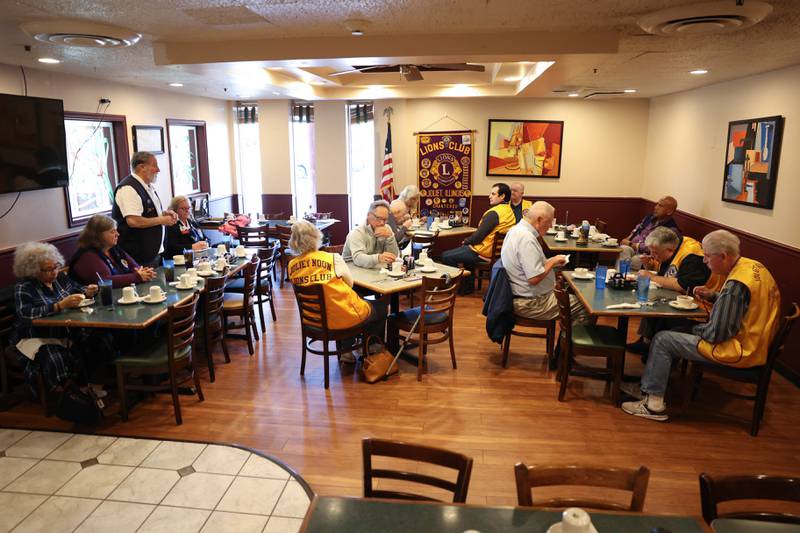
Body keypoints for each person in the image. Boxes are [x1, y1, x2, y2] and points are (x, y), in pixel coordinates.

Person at [621, 230, 781, 422]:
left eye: (707, 256)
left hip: (737, 350)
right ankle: (652, 386)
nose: (704, 261)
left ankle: (652, 404)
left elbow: (716, 334)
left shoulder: (735, 286)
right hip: (758, 344)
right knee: (675, 331)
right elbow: (745, 306)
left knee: (663, 339)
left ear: (723, 256)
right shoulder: (755, 267)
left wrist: (693, 328)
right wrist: (713, 295)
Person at [9, 242, 115, 396]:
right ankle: (67, 394)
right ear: (32, 270)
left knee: (101, 337)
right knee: (55, 356)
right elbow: (25, 314)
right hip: (36, 337)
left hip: (66, 331)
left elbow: (78, 289)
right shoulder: (24, 287)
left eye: (56, 266)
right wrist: (59, 306)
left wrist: (88, 291)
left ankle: (93, 383)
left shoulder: (60, 278)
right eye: (48, 269)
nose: (54, 272)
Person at [288, 220, 388, 363]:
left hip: (313, 321)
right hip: (340, 318)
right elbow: (350, 284)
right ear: (316, 236)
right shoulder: (333, 258)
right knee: (379, 307)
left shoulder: (291, 265)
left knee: (344, 306)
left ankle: (347, 351)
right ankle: (367, 346)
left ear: (293, 242)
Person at [626, 226, 716, 355]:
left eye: (655, 253)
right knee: (651, 298)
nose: (653, 255)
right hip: (678, 297)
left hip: (699, 306)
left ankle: (659, 352)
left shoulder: (693, 256)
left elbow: (682, 285)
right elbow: (666, 274)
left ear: (669, 249)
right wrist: (649, 265)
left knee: (656, 302)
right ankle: (646, 343)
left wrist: (651, 276)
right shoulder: (673, 244)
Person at [500, 201, 589, 323]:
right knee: (584, 305)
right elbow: (534, 278)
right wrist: (552, 262)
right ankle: (569, 342)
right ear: (539, 220)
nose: (550, 227)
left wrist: (553, 260)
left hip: (524, 296)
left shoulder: (516, 230)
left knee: (570, 290)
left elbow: (530, 265)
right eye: (549, 222)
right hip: (530, 303)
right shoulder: (526, 239)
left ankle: (565, 340)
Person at [441, 183, 515, 294]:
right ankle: (467, 287)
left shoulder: (494, 213)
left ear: (502, 196)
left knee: (446, 256)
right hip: (497, 253)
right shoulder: (509, 212)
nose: (489, 196)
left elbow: (478, 237)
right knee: (465, 253)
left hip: (483, 252)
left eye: (493, 194)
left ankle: (457, 288)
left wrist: (466, 241)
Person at [112, 151, 178, 267]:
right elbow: (133, 221)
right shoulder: (128, 188)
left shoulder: (147, 186)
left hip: (154, 254)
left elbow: (146, 213)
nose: (158, 170)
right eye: (154, 165)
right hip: (138, 257)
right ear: (141, 167)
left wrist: (164, 214)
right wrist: (161, 220)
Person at [69, 215, 157, 288]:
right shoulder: (87, 256)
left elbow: (135, 267)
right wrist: (137, 277)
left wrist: (144, 273)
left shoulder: (113, 248)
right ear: (98, 235)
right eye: (112, 232)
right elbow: (105, 281)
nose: (117, 234)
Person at [618, 196, 680, 269]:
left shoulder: (670, 229)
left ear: (669, 211)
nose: (655, 207)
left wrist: (632, 244)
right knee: (623, 249)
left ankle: (630, 277)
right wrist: (627, 239)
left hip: (649, 256)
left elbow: (656, 248)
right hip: (632, 248)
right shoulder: (649, 217)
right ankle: (620, 276)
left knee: (635, 260)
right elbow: (636, 230)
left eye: (660, 206)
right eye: (657, 204)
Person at [343, 200, 400, 268]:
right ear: (368, 215)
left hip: (374, 271)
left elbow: (394, 256)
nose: (382, 223)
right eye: (378, 218)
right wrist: (378, 258)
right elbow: (358, 258)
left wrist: (391, 237)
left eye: (385, 219)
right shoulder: (357, 233)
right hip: (351, 270)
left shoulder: (387, 229)